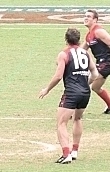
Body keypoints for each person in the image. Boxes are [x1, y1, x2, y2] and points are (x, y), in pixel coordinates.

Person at [39, 28, 97, 164]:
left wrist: (47, 89)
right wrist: (85, 83)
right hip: (85, 92)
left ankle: (66, 154)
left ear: (66, 39)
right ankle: (75, 150)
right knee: (77, 119)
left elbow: (59, 76)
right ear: (79, 39)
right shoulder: (85, 53)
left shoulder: (63, 54)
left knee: (61, 123)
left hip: (71, 92)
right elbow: (95, 73)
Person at [82, 10, 110, 113]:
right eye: (85, 16)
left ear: (95, 20)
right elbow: (81, 50)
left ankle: (75, 110)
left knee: (84, 84)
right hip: (100, 63)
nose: (85, 18)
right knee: (95, 87)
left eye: (89, 16)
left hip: (106, 63)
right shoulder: (89, 35)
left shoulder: (98, 31)